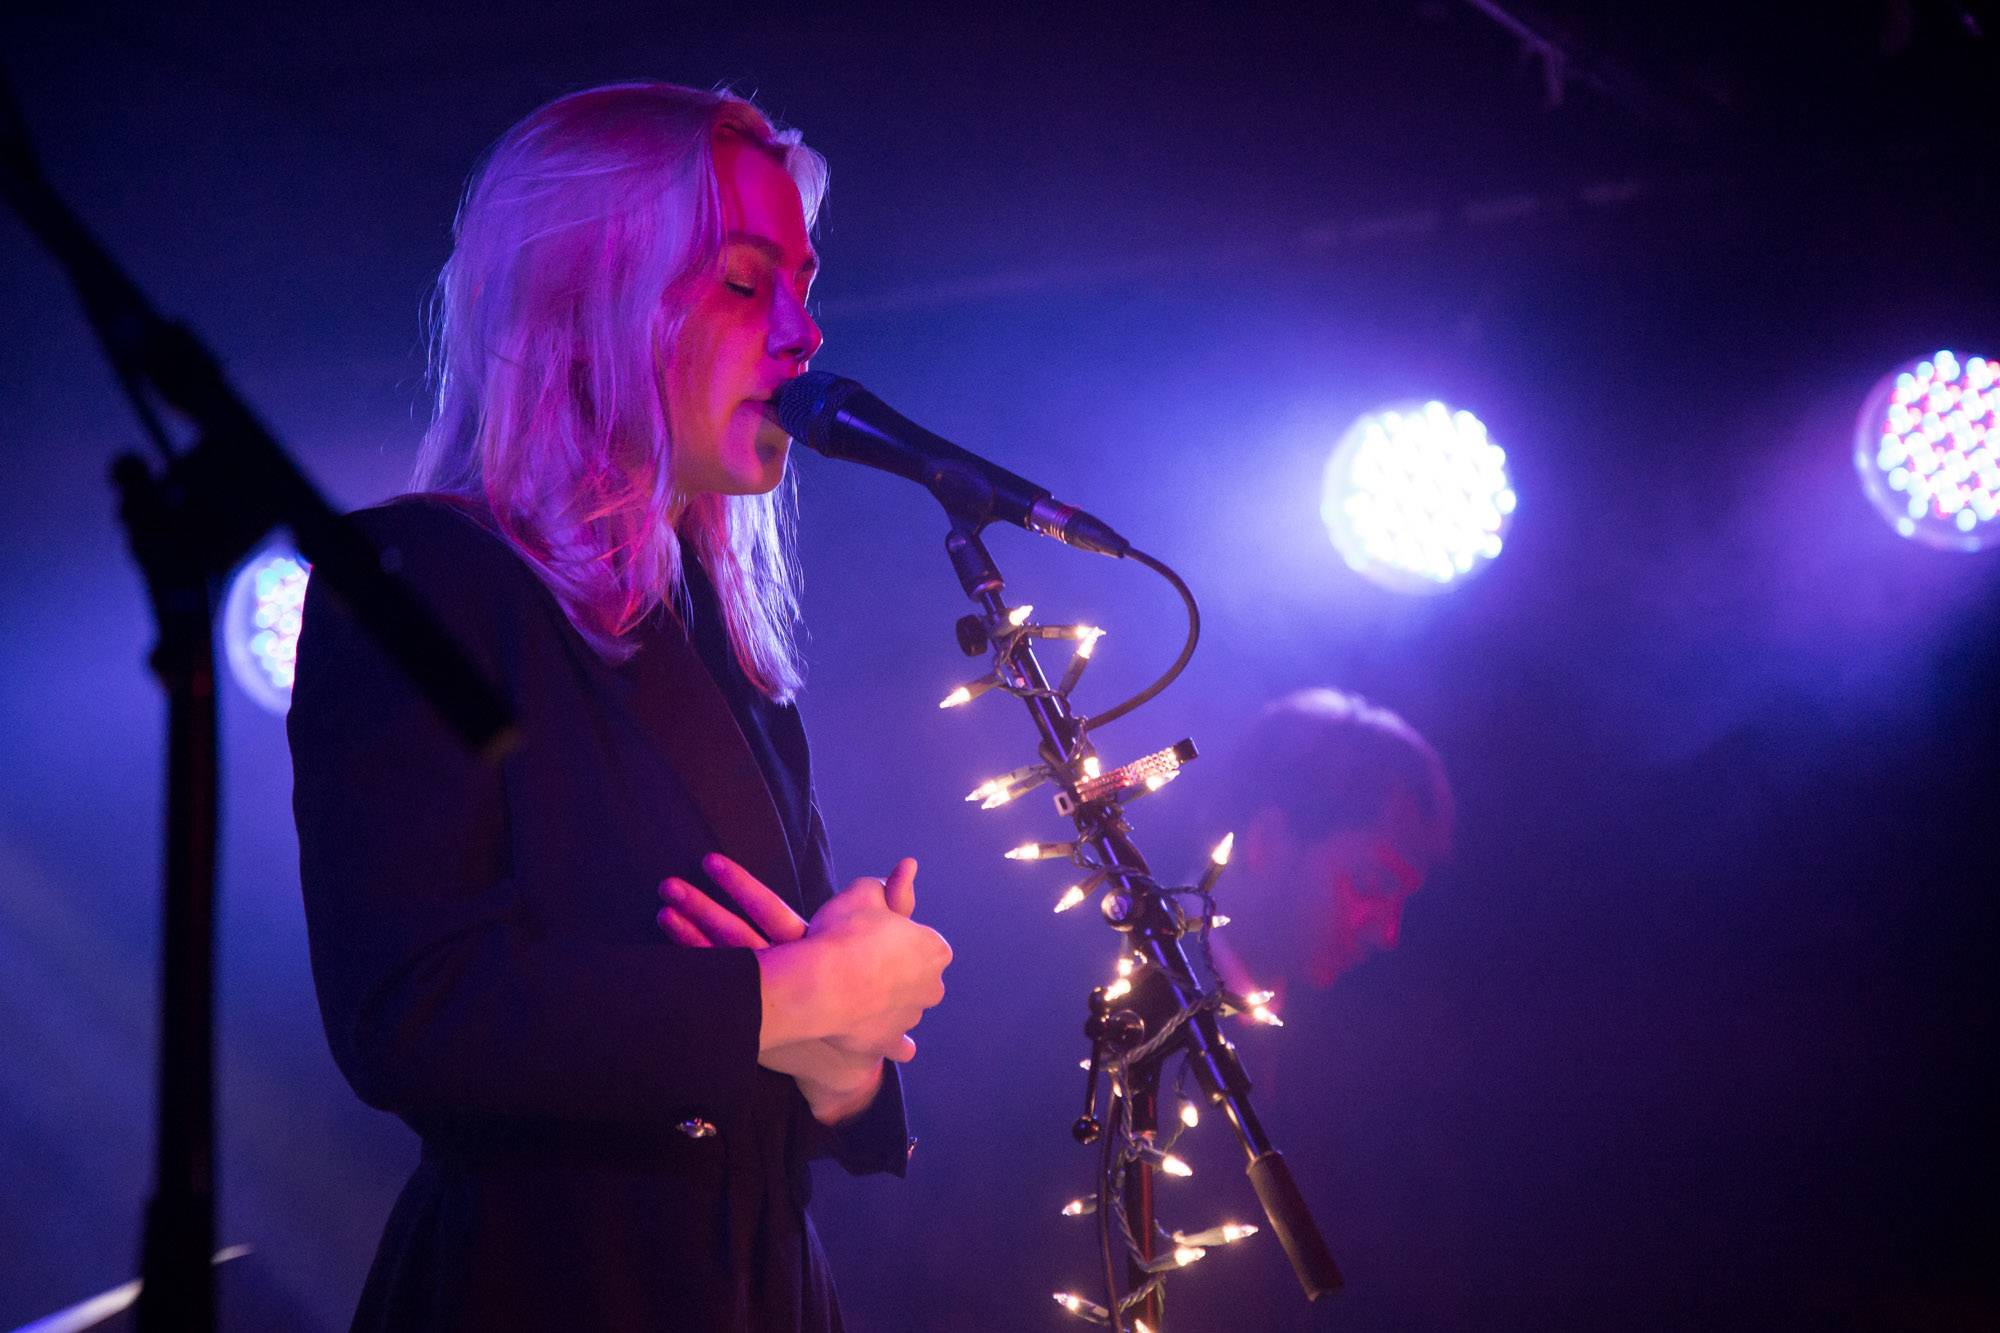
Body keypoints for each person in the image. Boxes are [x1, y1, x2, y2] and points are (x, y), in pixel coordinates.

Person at [288, 82, 951, 1332]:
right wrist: (794, 996)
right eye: (746, 283)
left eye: (803, 283)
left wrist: (847, 1055)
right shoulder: (421, 579)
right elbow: (410, 1010)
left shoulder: (709, 626)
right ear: (584, 310)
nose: (805, 334)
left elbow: (758, 1044)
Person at [1209, 687, 1453, 1010]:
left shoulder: (1293, 1027)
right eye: (1373, 884)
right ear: (1267, 842)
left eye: (1402, 899)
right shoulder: (1139, 996)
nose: (1387, 935)